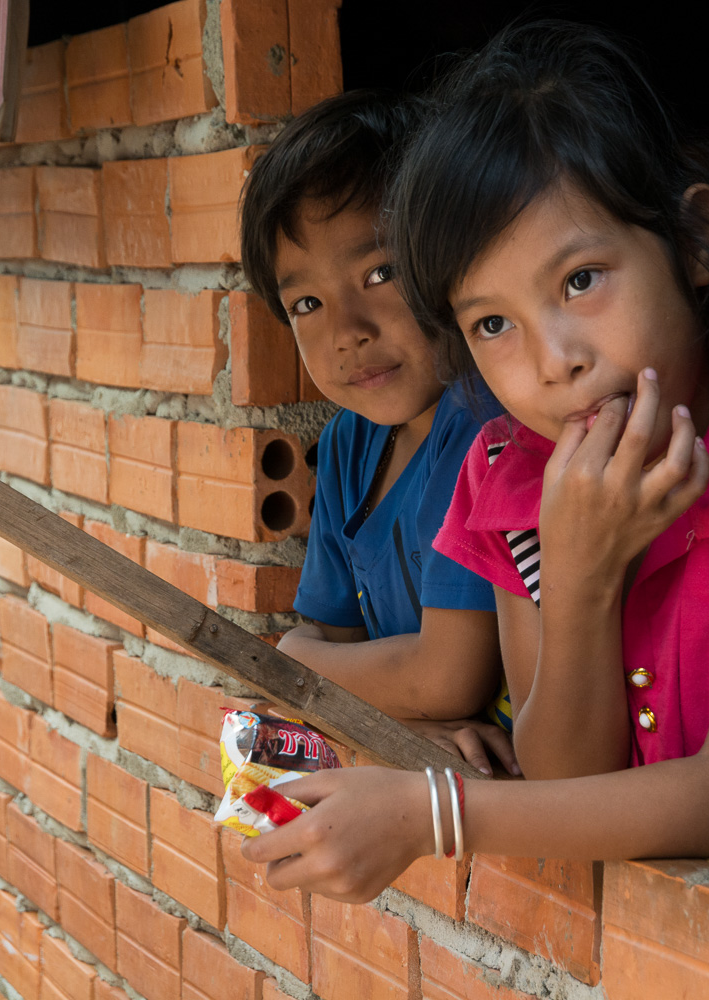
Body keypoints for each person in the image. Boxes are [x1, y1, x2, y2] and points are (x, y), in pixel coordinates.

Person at [241, 21, 709, 900]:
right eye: (492, 325)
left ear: (697, 242)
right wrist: (580, 582)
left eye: (580, 280)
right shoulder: (506, 478)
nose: (553, 361)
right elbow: (564, 774)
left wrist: (427, 815)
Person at [240, 90, 517, 775]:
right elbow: (323, 634)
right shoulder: (347, 444)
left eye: (379, 273)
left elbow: (448, 678)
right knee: (254, 757)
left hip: (518, 779)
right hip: (424, 767)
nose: (348, 332)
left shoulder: (487, 423)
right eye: (307, 303)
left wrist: (296, 666)